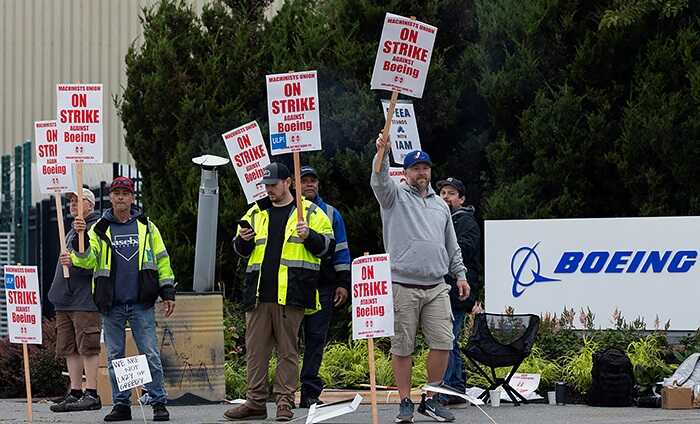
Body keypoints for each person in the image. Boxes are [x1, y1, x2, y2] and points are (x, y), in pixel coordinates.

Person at [224, 162, 335, 422]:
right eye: (266, 185)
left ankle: (285, 402)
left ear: (288, 183)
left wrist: (310, 236)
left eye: (274, 185)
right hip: (259, 294)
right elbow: (239, 249)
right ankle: (255, 402)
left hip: (292, 292)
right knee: (256, 350)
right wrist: (243, 239)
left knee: (288, 351)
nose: (269, 190)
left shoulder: (310, 212)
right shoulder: (254, 212)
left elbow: (328, 249)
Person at [370, 136, 470, 423]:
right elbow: (378, 178)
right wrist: (382, 153)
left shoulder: (441, 205)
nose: (422, 173)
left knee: (443, 343)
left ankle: (431, 398)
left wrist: (460, 274)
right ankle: (404, 402)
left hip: (438, 285)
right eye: (416, 168)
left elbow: (451, 244)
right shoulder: (393, 196)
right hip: (402, 285)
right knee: (403, 347)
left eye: (425, 168)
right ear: (405, 173)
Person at [60, 176, 175, 422]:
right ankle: (121, 405)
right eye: (116, 193)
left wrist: (167, 292)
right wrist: (79, 247)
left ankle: (158, 403)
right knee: (114, 358)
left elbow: (162, 259)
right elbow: (88, 261)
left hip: (140, 302)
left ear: (132, 197)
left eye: (125, 193)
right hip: (111, 304)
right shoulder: (100, 228)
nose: (121, 197)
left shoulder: (146, 226)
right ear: (110, 197)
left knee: (150, 354)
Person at [297, 165, 351, 408]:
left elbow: (341, 250)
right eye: (304, 180)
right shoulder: (287, 210)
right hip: (292, 286)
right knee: (287, 342)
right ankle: (285, 392)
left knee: (316, 339)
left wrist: (342, 283)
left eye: (313, 181)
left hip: (323, 286)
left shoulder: (331, 213)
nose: (309, 184)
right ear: (293, 184)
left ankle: (309, 392)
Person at [48, 188, 103, 413]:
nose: (72, 204)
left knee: (87, 346)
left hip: (84, 298)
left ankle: (92, 393)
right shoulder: (71, 230)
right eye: (70, 201)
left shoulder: (96, 228)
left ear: (90, 204)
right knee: (69, 347)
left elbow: (94, 259)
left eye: (78, 201)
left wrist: (75, 259)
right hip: (66, 299)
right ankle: (76, 391)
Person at [436, 177, 482, 405]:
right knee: (449, 339)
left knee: (447, 339)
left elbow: (462, 251)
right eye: (443, 193)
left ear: (461, 199)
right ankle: (456, 385)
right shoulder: (443, 220)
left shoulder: (466, 222)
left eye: (451, 193)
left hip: (458, 291)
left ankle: (449, 389)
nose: (446, 197)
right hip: (446, 289)